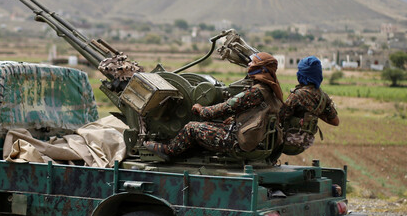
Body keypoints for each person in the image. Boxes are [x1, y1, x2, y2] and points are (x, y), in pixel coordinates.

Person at [144, 52, 284, 160]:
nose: (249, 66)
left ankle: (168, 151)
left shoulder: (256, 92)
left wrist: (201, 110)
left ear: (261, 69)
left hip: (239, 142)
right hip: (255, 140)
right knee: (210, 125)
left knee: (192, 127)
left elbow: (226, 107)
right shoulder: (271, 92)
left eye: (252, 63)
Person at [279, 56, 339, 154]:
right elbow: (335, 121)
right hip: (305, 143)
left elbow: (280, 117)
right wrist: (315, 112)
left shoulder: (296, 95)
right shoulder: (323, 97)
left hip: (288, 142)